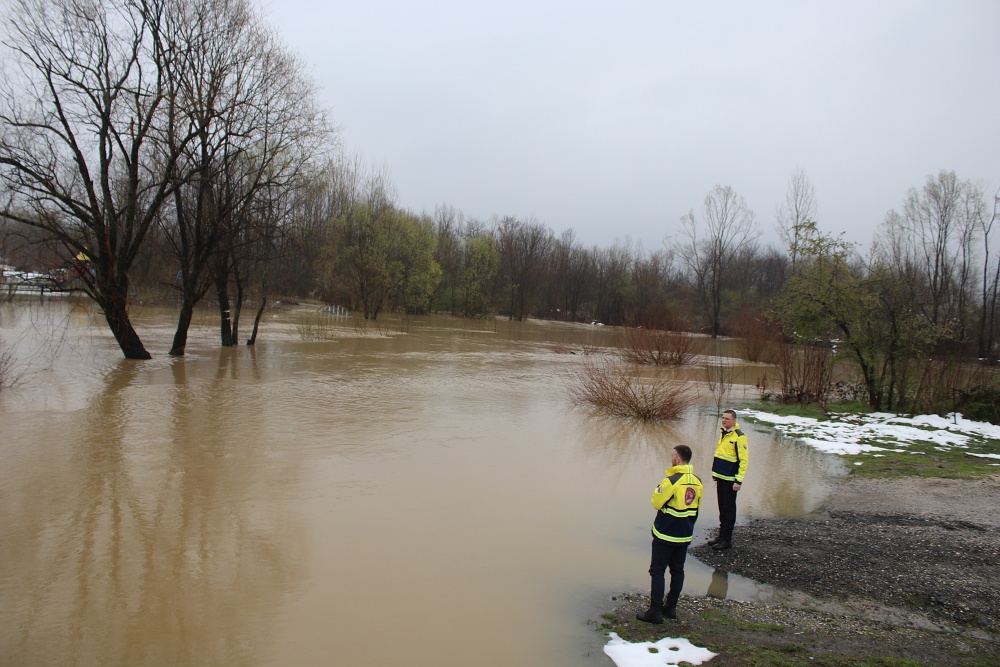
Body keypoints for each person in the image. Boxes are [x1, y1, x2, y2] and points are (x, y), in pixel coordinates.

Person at [636, 444, 702, 624]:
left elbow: (656, 502)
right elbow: (696, 508)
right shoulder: (697, 482)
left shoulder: (671, 481)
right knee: (677, 570)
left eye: (673, 455)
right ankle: (671, 607)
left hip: (665, 534)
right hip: (685, 534)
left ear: (678, 459)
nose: (671, 458)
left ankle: (655, 611)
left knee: (657, 571)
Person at [707, 409, 748, 551]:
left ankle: (727, 540)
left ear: (734, 421)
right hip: (721, 477)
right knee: (722, 508)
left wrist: (739, 481)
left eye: (727, 418)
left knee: (729, 510)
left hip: (731, 480)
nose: (724, 420)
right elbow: (720, 455)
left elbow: (743, 461)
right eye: (723, 418)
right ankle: (721, 536)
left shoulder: (739, 437)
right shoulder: (723, 433)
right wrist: (715, 473)